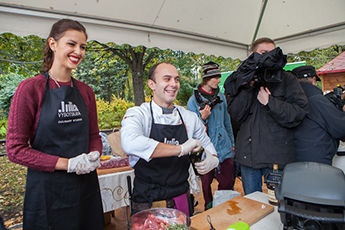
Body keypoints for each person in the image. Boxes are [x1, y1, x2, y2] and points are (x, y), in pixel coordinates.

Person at [6, 19, 105, 230]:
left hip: (85, 188)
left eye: (83, 46)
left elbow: (94, 135)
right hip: (47, 194)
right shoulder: (30, 89)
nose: (78, 51)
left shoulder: (86, 92)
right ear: (53, 44)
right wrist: (68, 164)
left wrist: (94, 154)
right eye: (72, 44)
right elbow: (15, 149)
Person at [120, 62, 219, 216]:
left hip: (182, 200)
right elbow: (130, 142)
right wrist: (181, 149)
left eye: (177, 79)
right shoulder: (139, 114)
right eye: (167, 79)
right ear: (152, 84)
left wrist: (212, 159)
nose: (174, 84)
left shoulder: (189, 117)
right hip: (148, 202)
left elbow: (208, 145)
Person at [224, 37, 309, 195]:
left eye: (272, 53)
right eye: (263, 53)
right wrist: (248, 87)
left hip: (276, 157)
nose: (268, 58)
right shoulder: (242, 81)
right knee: (252, 204)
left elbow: (299, 112)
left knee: (279, 204)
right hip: (248, 157)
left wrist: (270, 102)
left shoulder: (287, 79)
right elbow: (235, 114)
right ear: (252, 54)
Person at [187, 61, 235, 210]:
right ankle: (209, 207)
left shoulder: (220, 95)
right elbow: (191, 129)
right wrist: (202, 118)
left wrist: (232, 142)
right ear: (207, 78)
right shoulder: (193, 100)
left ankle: (223, 206)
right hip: (205, 148)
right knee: (206, 182)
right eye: (216, 77)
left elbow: (227, 120)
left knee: (227, 178)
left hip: (224, 146)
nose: (219, 80)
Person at [292, 65, 345, 165]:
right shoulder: (316, 100)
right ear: (313, 80)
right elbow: (341, 129)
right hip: (315, 161)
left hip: (291, 160)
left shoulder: (287, 100)